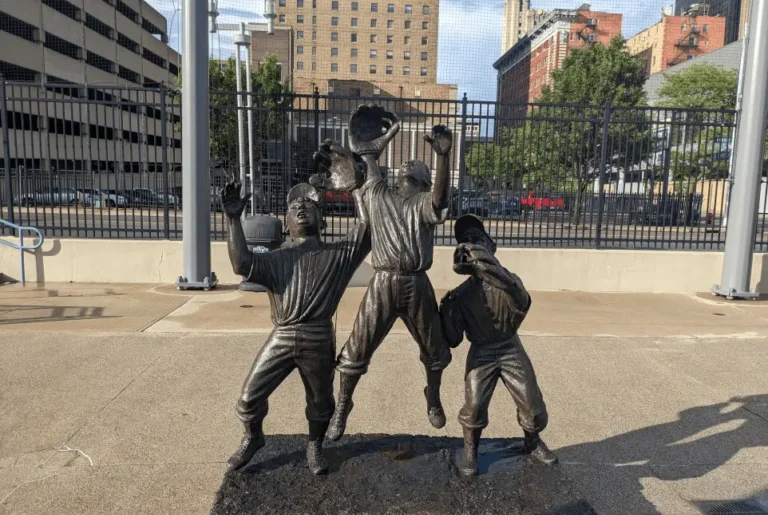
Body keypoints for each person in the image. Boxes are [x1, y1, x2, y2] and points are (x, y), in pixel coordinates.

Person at [222, 156, 369, 475]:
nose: (301, 208)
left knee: (321, 403)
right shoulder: (276, 260)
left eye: (309, 205)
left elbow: (367, 227)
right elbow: (240, 264)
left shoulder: (338, 254)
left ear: (324, 220)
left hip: (318, 336)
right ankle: (253, 438)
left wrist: (354, 187)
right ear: (286, 225)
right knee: (248, 399)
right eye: (293, 207)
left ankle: (315, 446)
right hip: (284, 335)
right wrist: (233, 220)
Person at [325, 106, 454, 442]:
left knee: (435, 350)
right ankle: (342, 406)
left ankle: (434, 397)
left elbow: (441, 197)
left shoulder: (425, 201)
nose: (406, 167)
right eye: (403, 169)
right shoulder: (379, 194)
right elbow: (368, 160)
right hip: (382, 282)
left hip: (415, 284)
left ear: (424, 180)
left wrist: (443, 158)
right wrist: (370, 146)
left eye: (414, 170)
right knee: (357, 350)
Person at [439, 215, 557, 476]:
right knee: (474, 405)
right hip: (481, 351)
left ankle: (532, 441)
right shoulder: (459, 296)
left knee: (531, 403)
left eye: (478, 240)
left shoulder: (509, 282)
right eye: (467, 243)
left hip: (509, 347)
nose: (473, 246)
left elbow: (522, 302)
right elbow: (453, 339)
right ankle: (470, 451)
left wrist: (488, 266)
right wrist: (445, 313)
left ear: (491, 246)